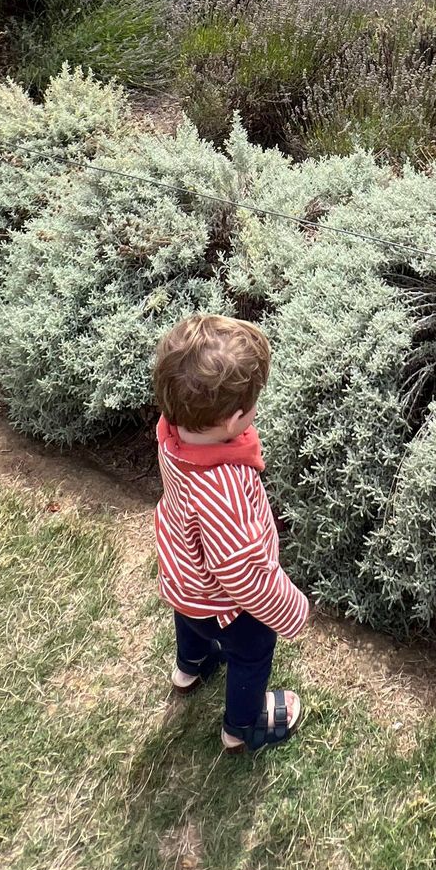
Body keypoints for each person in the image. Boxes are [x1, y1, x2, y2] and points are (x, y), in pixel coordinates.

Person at [152, 314, 308, 752]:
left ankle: (191, 667)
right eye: (252, 406)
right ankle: (242, 728)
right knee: (253, 650)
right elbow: (241, 573)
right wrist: (288, 607)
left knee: (191, 619)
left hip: (184, 573)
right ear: (232, 420)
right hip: (224, 600)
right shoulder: (224, 487)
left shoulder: (172, 434)